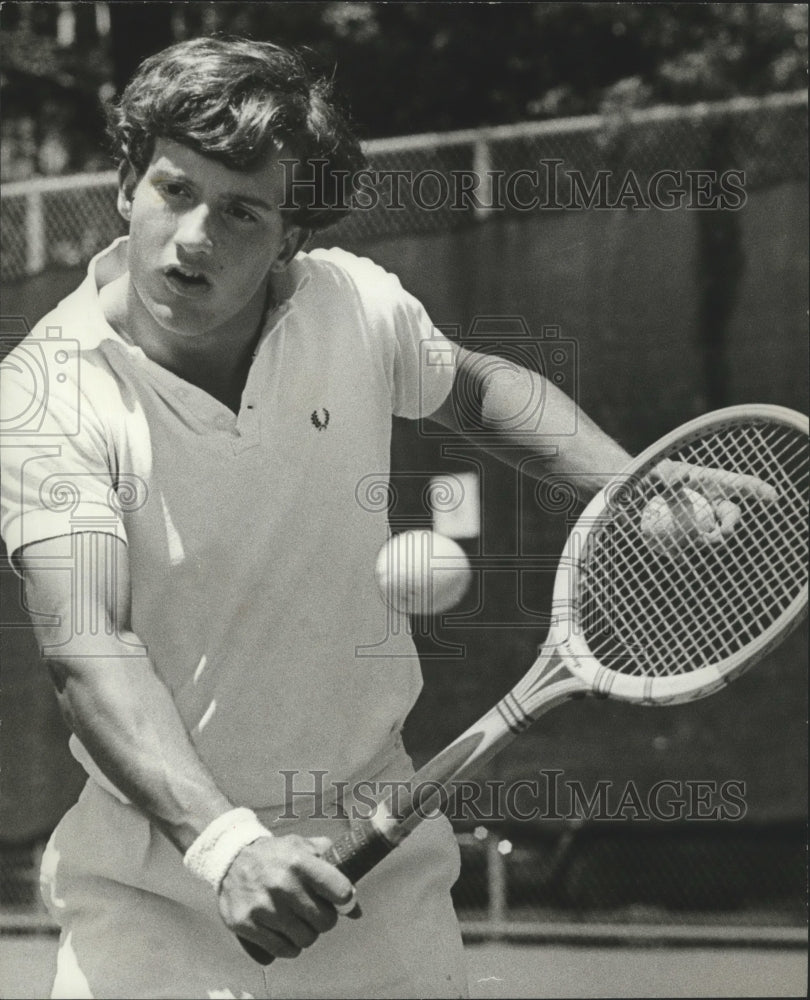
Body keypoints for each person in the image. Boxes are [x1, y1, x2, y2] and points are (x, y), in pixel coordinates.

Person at [0, 36, 747, 1000]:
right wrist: (229, 851)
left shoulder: (352, 304)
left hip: (380, 886)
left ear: (289, 237)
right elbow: (88, 646)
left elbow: (475, 388)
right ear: (126, 184)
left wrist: (633, 482)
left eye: (241, 212)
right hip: (152, 900)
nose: (194, 238)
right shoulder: (44, 396)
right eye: (175, 191)